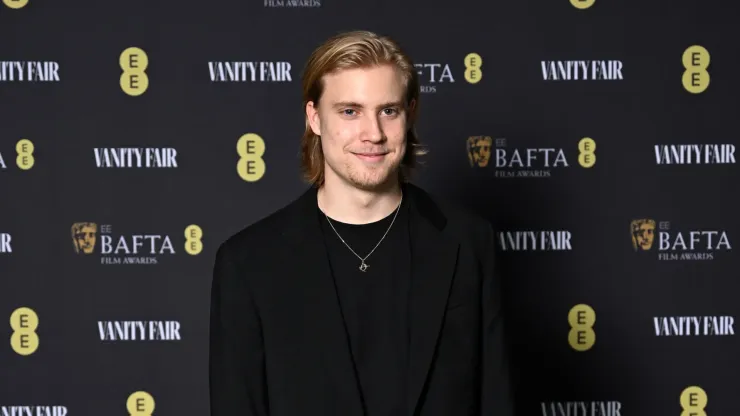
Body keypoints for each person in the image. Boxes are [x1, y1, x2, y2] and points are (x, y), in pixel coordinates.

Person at [209, 30, 513, 416]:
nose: (373, 134)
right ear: (315, 118)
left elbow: (495, 399)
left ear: (410, 114)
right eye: (350, 111)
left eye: (389, 110)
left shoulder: (469, 241)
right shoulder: (247, 262)